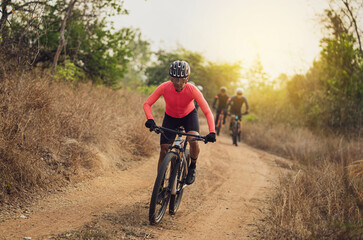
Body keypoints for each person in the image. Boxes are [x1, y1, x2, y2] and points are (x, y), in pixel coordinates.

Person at [143, 60, 216, 185]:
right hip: (170, 117)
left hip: (189, 116)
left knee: (193, 140)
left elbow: (207, 111)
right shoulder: (164, 87)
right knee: (164, 149)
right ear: (171, 78)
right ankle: (159, 183)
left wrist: (212, 131)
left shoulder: (192, 90)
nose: (178, 83)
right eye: (175, 79)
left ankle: (192, 166)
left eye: (181, 80)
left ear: (187, 78)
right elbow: (147, 104)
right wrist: (150, 119)